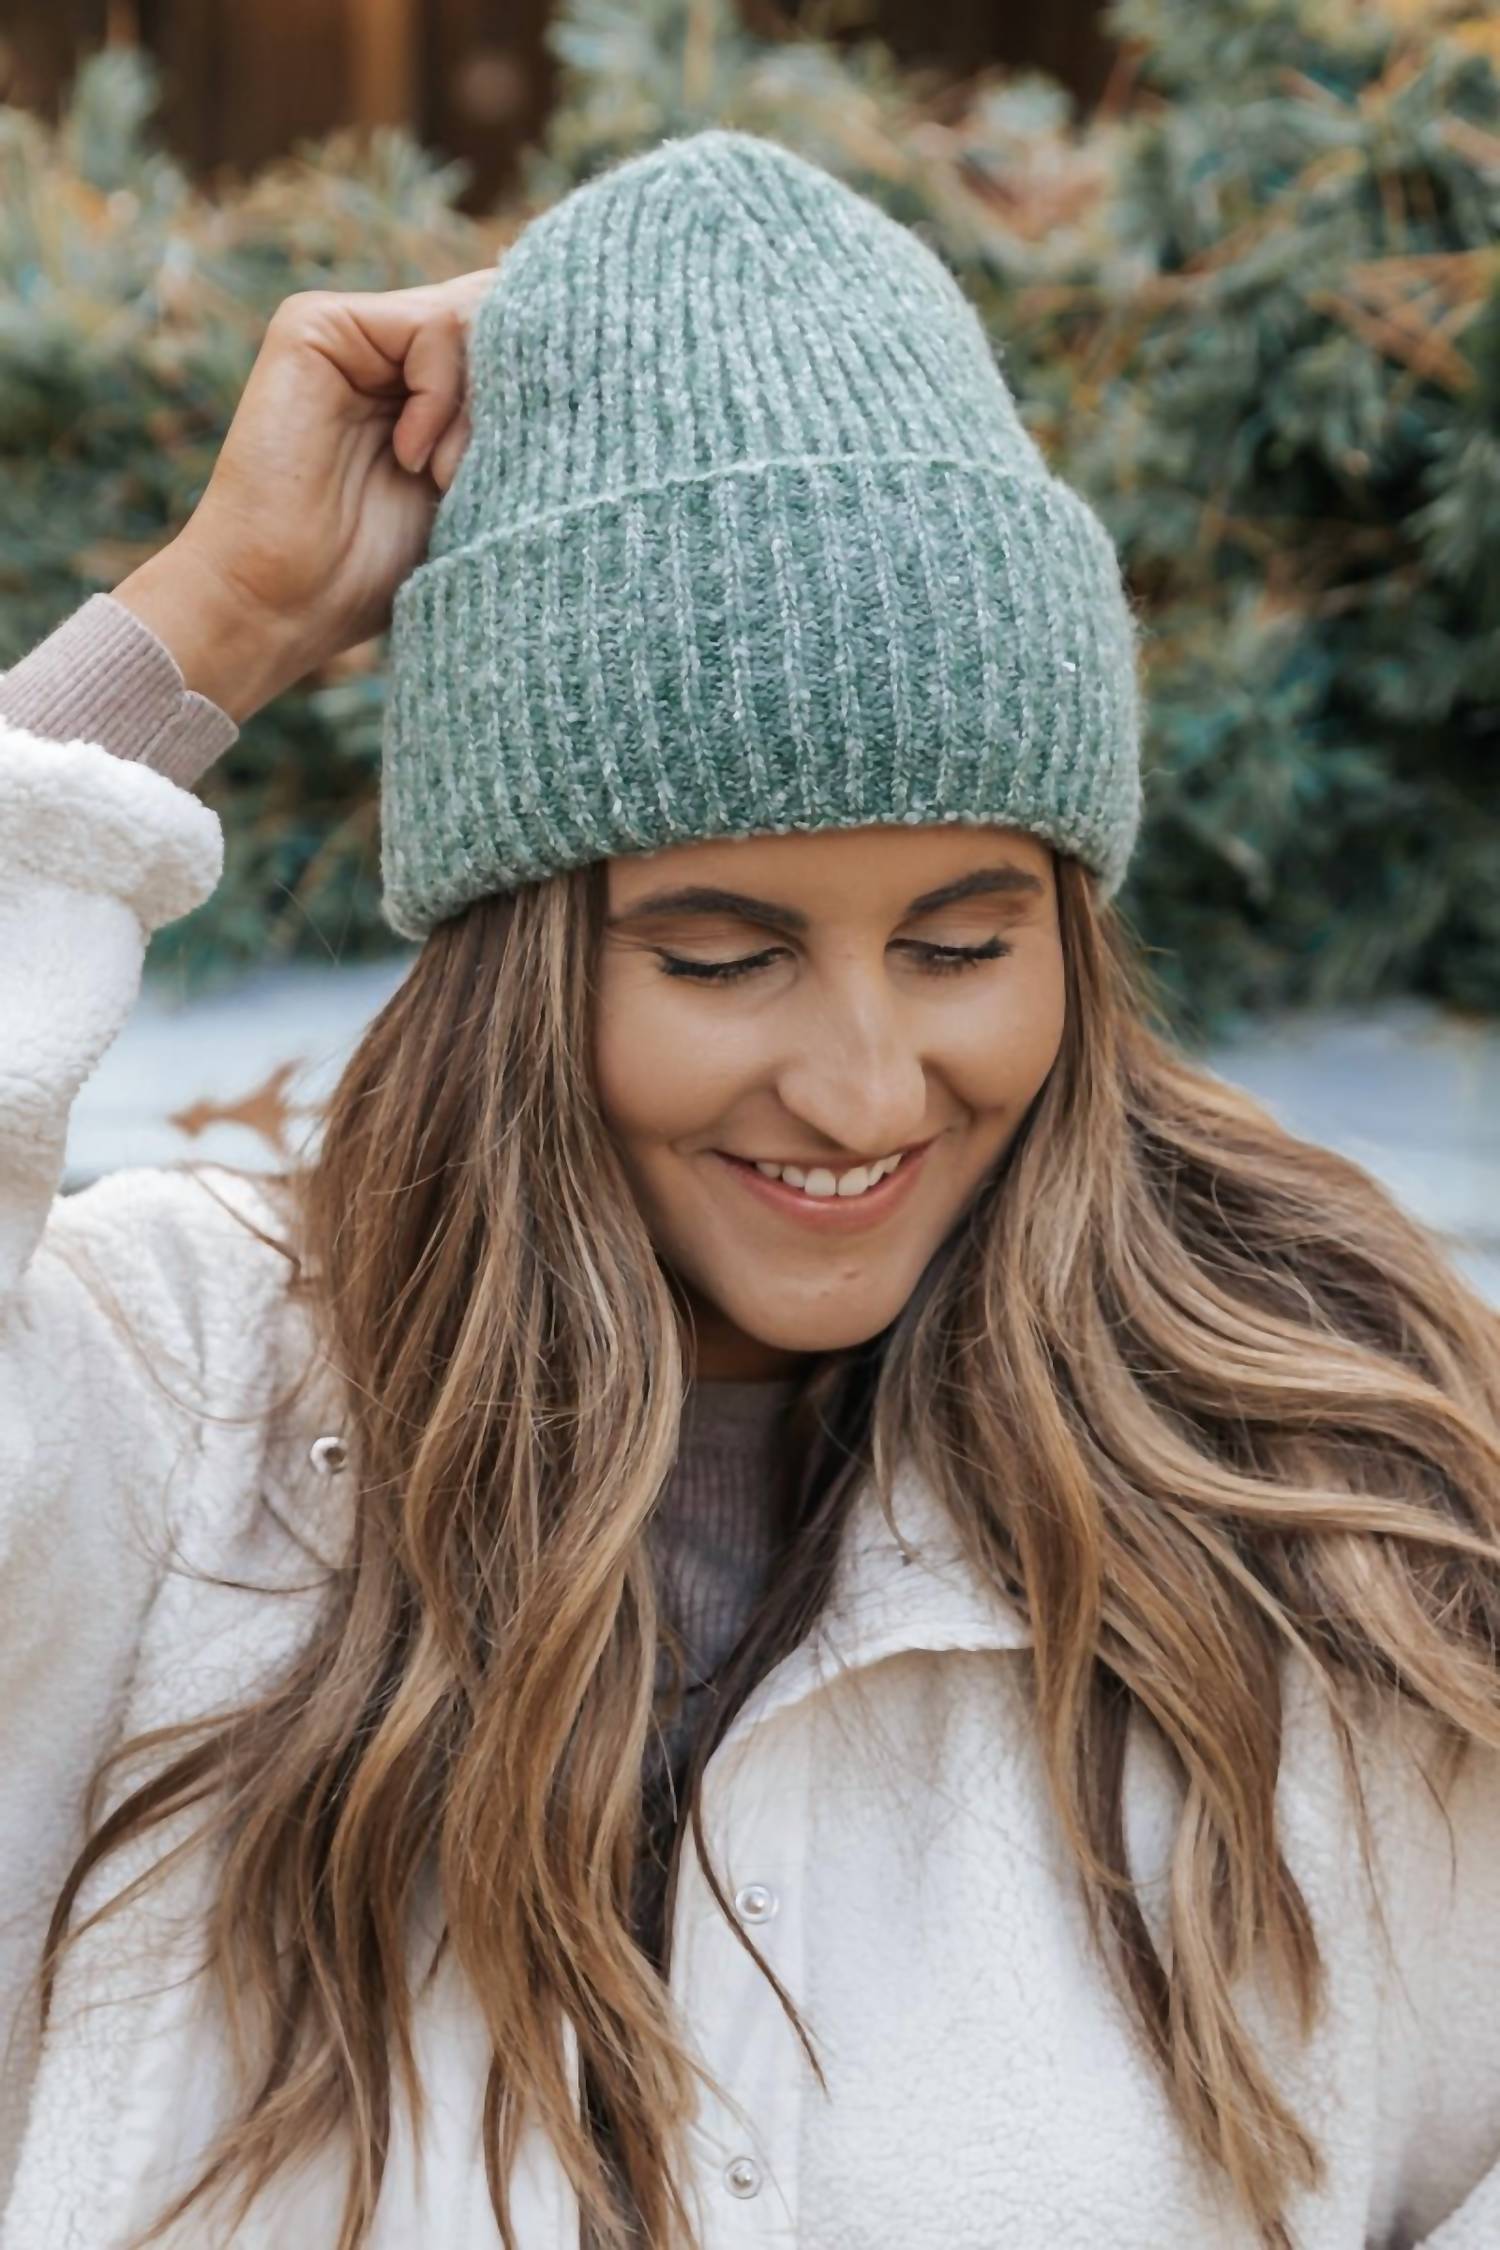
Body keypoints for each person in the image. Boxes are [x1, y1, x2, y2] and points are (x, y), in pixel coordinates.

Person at [1, 125, 1498, 2250]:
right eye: (723, 959)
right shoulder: (173, 1414)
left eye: (963, 944)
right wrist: (208, 624)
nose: (866, 1083)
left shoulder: (1328, 1512)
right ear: (521, 971)